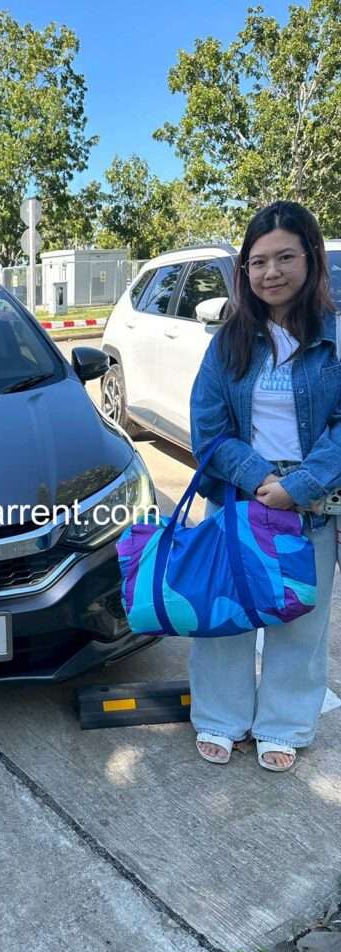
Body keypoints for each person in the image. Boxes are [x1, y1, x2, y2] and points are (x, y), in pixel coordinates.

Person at [189, 200, 340, 772]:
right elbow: (208, 429)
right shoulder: (229, 341)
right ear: (244, 271)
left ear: (311, 259)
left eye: (285, 257)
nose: (270, 272)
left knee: (300, 617)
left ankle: (283, 724)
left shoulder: (335, 339)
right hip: (238, 494)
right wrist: (261, 479)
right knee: (224, 610)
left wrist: (299, 484)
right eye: (257, 262)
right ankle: (221, 717)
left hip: (311, 501)